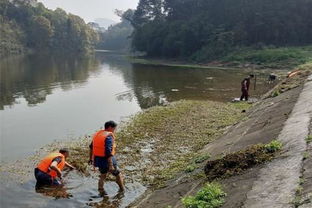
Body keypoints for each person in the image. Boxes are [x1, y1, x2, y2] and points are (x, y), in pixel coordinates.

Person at [89, 121, 125, 196]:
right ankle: (122, 189)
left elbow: (91, 147)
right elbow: (108, 151)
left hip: (99, 160)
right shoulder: (108, 136)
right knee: (118, 174)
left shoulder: (97, 134)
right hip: (107, 160)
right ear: (110, 127)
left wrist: (91, 159)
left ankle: (101, 190)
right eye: (114, 128)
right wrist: (111, 164)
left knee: (103, 175)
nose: (114, 130)